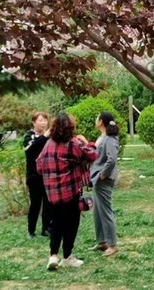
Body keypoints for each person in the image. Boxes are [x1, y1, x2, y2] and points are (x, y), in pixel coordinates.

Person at [36, 112, 98, 271]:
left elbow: (39, 165)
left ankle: (53, 256)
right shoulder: (73, 144)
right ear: (70, 128)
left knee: (56, 223)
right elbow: (92, 155)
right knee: (71, 224)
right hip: (70, 191)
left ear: (54, 127)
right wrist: (87, 142)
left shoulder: (49, 144)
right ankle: (67, 257)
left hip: (53, 194)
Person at [89, 111, 120, 257]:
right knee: (97, 211)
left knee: (105, 211)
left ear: (101, 121)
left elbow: (112, 159)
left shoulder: (110, 138)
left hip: (103, 180)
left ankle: (112, 244)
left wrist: (103, 174)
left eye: (96, 117)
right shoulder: (102, 137)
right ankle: (102, 241)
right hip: (97, 178)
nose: (95, 120)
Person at [24, 111, 52, 239]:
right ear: (33, 122)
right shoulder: (29, 137)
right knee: (35, 203)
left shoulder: (50, 138)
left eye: (45, 120)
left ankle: (46, 228)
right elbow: (31, 149)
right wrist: (45, 135)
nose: (43, 123)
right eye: (40, 120)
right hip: (34, 176)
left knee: (48, 203)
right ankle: (31, 230)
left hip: (48, 175)